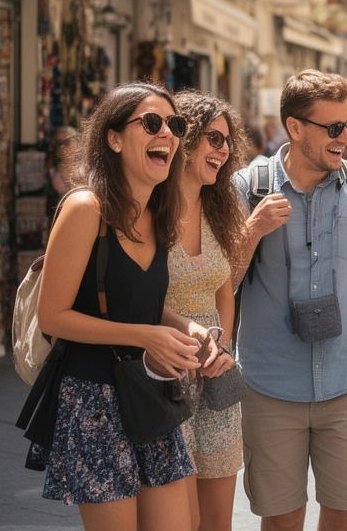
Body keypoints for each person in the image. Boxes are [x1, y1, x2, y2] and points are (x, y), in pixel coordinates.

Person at [30, 82, 227, 529]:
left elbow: (142, 305)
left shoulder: (158, 213)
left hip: (151, 396)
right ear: (114, 138)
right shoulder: (85, 208)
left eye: (174, 125)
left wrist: (189, 329)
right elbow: (53, 316)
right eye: (152, 123)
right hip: (93, 400)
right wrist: (143, 336)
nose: (168, 135)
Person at [232, 70, 347, 531]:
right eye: (333, 128)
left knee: (344, 513)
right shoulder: (246, 188)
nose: (346, 138)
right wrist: (252, 232)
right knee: (282, 519)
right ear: (294, 128)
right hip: (270, 386)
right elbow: (220, 283)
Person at [166, 92, 248, 531]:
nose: (224, 149)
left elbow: (224, 288)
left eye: (228, 142)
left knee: (218, 521)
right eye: (214, 138)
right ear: (187, 139)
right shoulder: (149, 209)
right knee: (184, 519)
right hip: (164, 377)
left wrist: (222, 346)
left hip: (215, 379)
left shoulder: (220, 208)